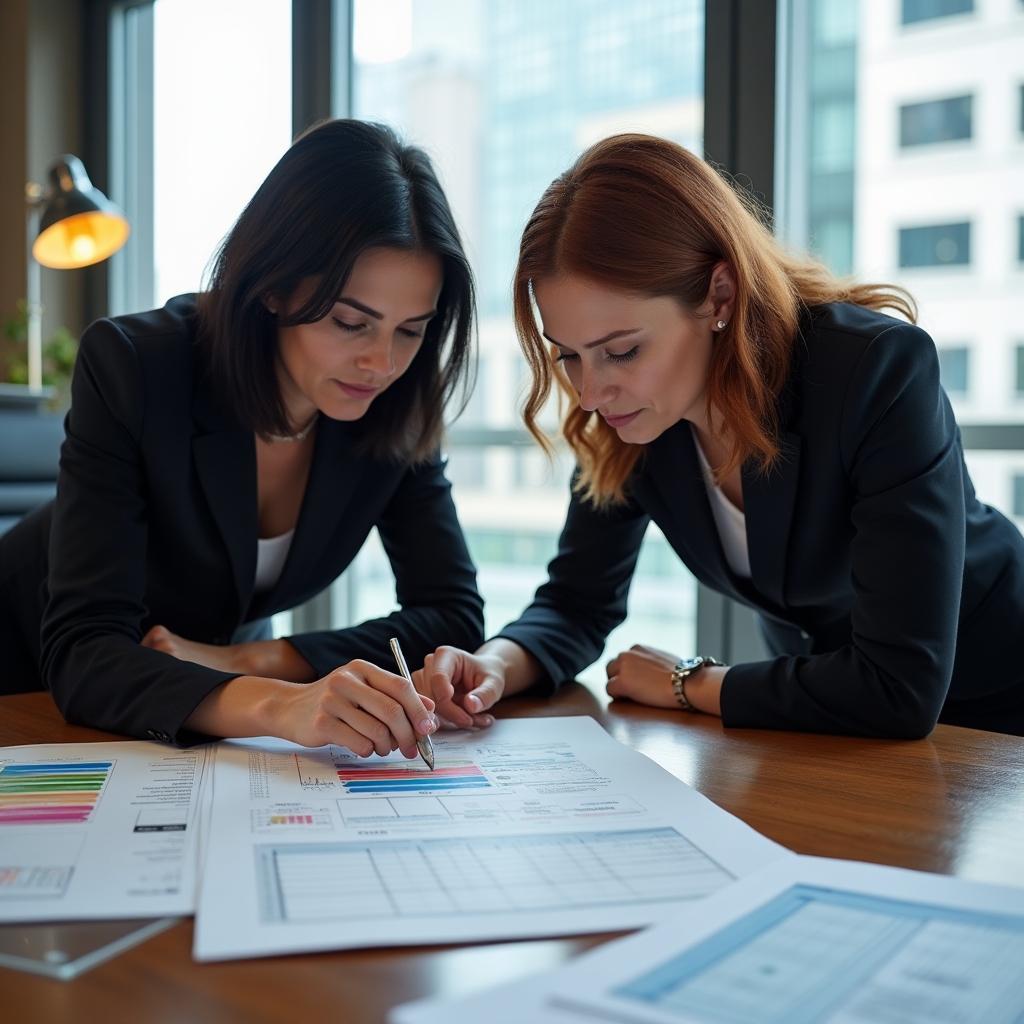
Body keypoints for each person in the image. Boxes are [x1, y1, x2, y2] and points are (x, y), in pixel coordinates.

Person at [416, 133, 1024, 739]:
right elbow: (577, 602)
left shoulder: (873, 371)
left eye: (622, 351)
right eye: (569, 356)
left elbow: (900, 686)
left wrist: (691, 682)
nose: (591, 394)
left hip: (996, 708)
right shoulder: (639, 418)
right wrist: (493, 664)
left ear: (720, 295)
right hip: (827, 723)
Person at [0, 119, 485, 755]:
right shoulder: (137, 367)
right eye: (350, 321)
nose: (382, 362)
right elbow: (86, 651)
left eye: (411, 329)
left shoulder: (394, 405)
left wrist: (253, 656)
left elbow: (451, 613)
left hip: (184, 717)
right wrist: (282, 703)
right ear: (277, 287)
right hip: (26, 690)